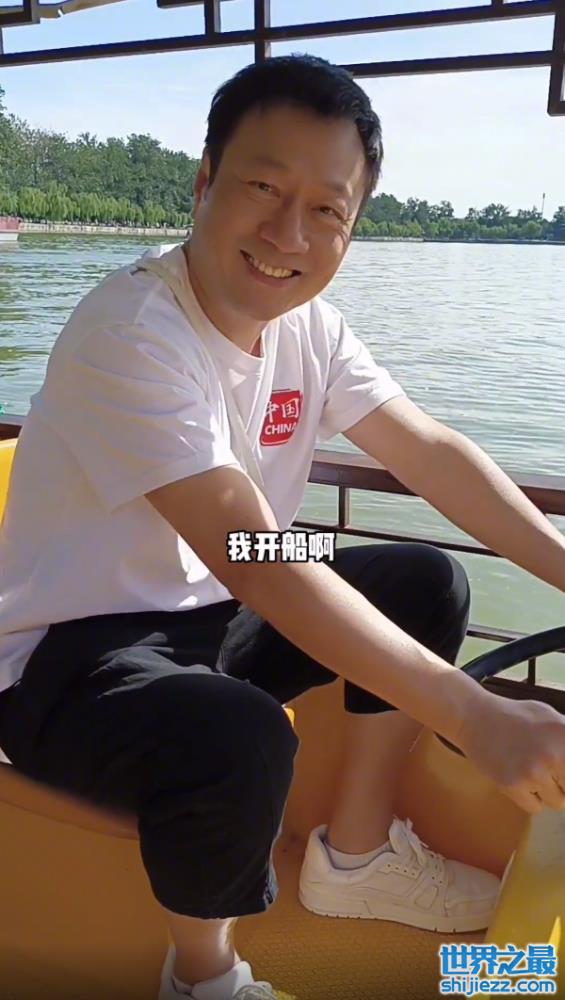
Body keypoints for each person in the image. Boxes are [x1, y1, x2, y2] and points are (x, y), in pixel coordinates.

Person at [0, 53, 564, 1000]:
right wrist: (471, 714)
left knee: (426, 580)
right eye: (262, 187)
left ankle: (354, 859)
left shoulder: (311, 329)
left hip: (212, 602)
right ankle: (203, 975)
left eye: (326, 208)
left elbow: (428, 452)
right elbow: (251, 556)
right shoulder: (130, 331)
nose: (286, 233)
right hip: (67, 653)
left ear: (352, 226)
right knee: (244, 733)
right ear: (204, 182)